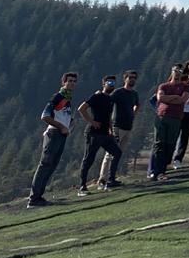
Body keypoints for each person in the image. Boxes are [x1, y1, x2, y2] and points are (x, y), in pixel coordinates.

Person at [28, 72, 77, 207]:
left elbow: (60, 115)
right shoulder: (58, 96)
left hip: (60, 135)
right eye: (70, 81)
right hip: (54, 133)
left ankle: (38, 196)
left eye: (74, 81)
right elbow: (45, 116)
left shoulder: (67, 98)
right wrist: (61, 126)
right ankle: (33, 199)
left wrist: (70, 122)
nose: (72, 83)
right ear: (64, 82)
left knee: (51, 166)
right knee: (45, 165)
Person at [76, 76, 123, 196]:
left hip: (105, 133)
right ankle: (82, 187)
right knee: (89, 159)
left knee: (117, 152)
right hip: (94, 133)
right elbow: (81, 109)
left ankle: (111, 180)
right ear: (103, 84)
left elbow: (109, 117)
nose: (111, 85)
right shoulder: (96, 96)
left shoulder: (110, 99)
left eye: (113, 83)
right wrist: (92, 122)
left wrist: (111, 130)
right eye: (109, 82)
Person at [100, 70, 140, 188]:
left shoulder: (134, 94)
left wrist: (133, 114)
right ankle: (103, 179)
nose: (132, 79)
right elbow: (107, 102)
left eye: (134, 78)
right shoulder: (118, 92)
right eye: (130, 77)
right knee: (110, 154)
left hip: (128, 127)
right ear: (125, 79)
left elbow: (138, 104)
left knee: (118, 154)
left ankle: (112, 177)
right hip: (117, 126)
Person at [148, 64, 189, 182]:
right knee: (159, 144)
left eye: (180, 71)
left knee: (170, 144)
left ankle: (163, 168)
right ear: (172, 71)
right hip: (162, 116)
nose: (177, 73)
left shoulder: (185, 87)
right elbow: (160, 98)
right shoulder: (164, 86)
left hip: (176, 118)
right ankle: (157, 172)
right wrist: (175, 97)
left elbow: (182, 99)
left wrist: (169, 98)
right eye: (176, 70)